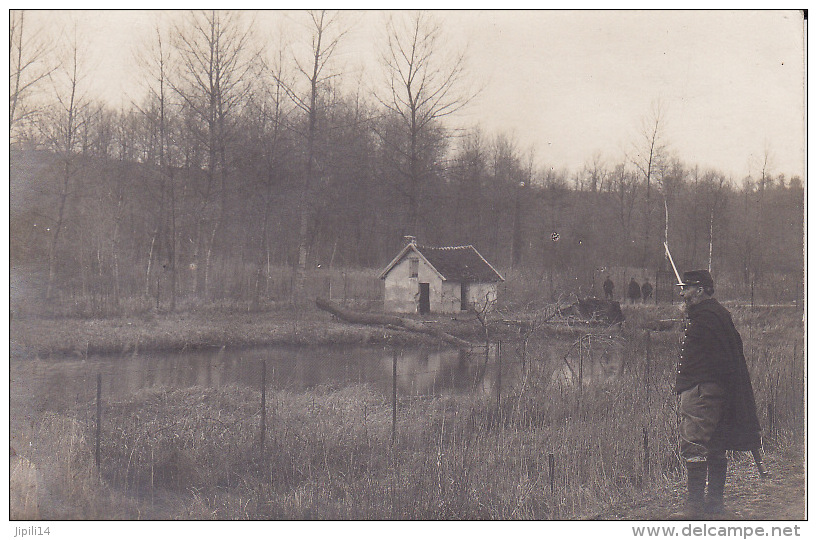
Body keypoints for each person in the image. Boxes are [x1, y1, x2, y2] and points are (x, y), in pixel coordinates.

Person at [671, 270, 761, 519]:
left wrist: (690, 315)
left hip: (702, 391)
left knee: (694, 443)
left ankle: (695, 509)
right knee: (715, 444)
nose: (683, 293)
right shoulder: (715, 314)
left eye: (687, 289)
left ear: (700, 290)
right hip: (714, 390)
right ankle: (714, 505)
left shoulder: (706, 317)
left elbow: (712, 355)